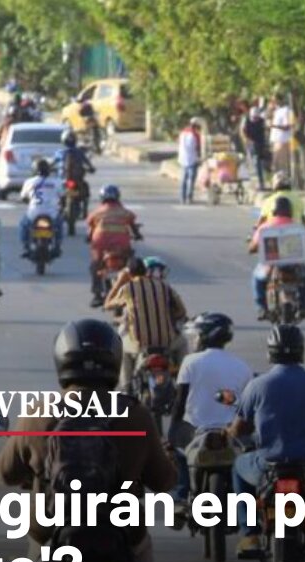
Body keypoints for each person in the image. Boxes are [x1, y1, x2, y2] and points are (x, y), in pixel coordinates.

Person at [0, 318, 176, 562]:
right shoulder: (135, 415)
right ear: (115, 362)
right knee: (141, 561)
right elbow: (164, 481)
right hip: (122, 536)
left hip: (52, 533)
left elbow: (5, 474)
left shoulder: (40, 414)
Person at [228, 324, 305, 557]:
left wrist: (231, 433)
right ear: (301, 351)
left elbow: (239, 427)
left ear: (270, 352)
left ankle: (250, 535)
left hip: (267, 465)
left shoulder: (256, 385)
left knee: (238, 467)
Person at [168, 312, 254, 505]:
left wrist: (172, 434)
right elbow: (247, 408)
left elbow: (180, 402)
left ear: (204, 336)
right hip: (231, 432)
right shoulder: (242, 366)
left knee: (180, 456)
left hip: (195, 431)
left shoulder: (190, 362)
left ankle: (182, 494)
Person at [104, 257, 188, 391]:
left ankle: (126, 387)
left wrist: (120, 280)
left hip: (139, 345)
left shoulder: (127, 288)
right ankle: (183, 380)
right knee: (183, 342)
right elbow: (182, 311)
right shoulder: (164, 286)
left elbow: (107, 304)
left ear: (129, 273)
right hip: (167, 343)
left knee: (123, 350)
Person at [248, 195, 305, 320]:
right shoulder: (297, 226)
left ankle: (262, 308)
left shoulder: (265, 227)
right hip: (294, 263)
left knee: (257, 279)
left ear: (274, 212)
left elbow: (253, 247)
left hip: (270, 264)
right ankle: (303, 307)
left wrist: (253, 248)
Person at [86, 184, 143, 306]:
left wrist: (88, 237)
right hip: (121, 247)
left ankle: (97, 295)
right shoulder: (124, 212)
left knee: (95, 266)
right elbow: (133, 226)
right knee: (132, 265)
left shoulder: (97, 212)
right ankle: (136, 290)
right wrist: (138, 235)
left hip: (101, 245)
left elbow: (90, 228)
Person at [19, 159, 64, 258]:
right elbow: (62, 195)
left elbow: (23, 197)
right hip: (52, 213)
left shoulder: (29, 182)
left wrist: (29, 201)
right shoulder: (56, 182)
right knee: (60, 225)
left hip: (34, 213)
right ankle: (58, 246)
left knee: (23, 225)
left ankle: (25, 246)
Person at [54, 128, 96, 228]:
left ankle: (82, 208)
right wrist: (91, 168)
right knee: (85, 191)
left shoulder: (60, 152)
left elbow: (53, 163)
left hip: (65, 181)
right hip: (76, 181)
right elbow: (88, 164)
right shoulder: (79, 152)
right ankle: (84, 209)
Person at [242, 104, 270, 189]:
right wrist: (247, 140)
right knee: (255, 163)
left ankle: (263, 182)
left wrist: (266, 142)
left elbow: (266, 131)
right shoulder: (247, 120)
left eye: (256, 118)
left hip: (261, 144)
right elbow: (243, 130)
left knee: (263, 164)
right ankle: (259, 183)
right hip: (251, 144)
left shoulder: (262, 121)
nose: (254, 120)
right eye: (253, 118)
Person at [177, 118, 202, 205]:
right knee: (191, 180)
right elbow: (198, 147)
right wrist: (199, 157)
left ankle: (182, 198)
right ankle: (189, 198)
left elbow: (179, 144)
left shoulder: (182, 133)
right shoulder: (195, 135)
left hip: (183, 159)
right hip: (192, 159)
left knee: (184, 179)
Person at [269, 95, 294, 179]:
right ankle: (279, 182)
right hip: (276, 141)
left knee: (282, 164)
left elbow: (287, 126)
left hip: (283, 141)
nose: (272, 103)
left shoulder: (286, 110)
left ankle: (285, 181)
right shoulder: (276, 111)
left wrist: (274, 126)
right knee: (276, 164)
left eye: (274, 101)